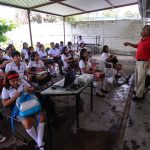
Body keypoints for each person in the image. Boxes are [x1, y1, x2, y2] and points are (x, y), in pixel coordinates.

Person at [1, 71, 45, 149]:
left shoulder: (22, 81)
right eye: (12, 81)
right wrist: (13, 98)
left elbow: (33, 89)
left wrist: (29, 90)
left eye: (17, 80)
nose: (15, 82)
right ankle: (39, 142)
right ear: (8, 81)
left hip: (31, 103)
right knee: (27, 122)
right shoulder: (6, 89)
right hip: (18, 108)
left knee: (41, 118)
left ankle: (40, 143)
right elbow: (5, 104)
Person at [124, 25, 150, 101]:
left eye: (143, 30)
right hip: (138, 61)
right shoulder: (142, 40)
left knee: (141, 79)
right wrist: (129, 43)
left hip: (144, 62)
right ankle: (137, 91)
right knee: (137, 77)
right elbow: (137, 46)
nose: (141, 31)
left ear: (148, 31)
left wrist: (148, 62)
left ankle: (139, 95)